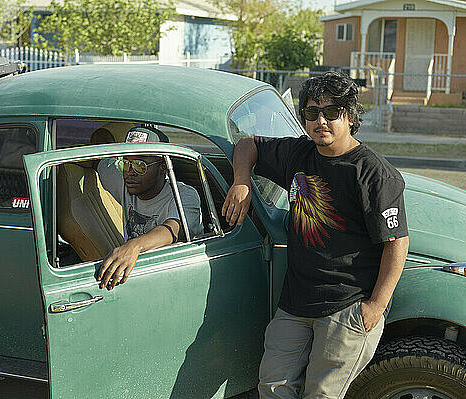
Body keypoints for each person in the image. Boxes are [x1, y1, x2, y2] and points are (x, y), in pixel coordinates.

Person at [222, 72, 409, 398]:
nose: (320, 120)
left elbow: (397, 243)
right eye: (311, 113)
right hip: (295, 304)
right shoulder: (298, 154)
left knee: (322, 395)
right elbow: (246, 144)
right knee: (272, 387)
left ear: (349, 116)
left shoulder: (374, 174)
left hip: (347, 308)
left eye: (331, 112)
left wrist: (375, 307)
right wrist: (241, 180)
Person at [95, 126, 203, 290]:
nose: (130, 172)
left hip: (177, 279)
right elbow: (100, 159)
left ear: (163, 167)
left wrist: (134, 246)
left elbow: (173, 229)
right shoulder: (122, 180)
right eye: (126, 163)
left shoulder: (185, 195)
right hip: (136, 277)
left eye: (140, 165)